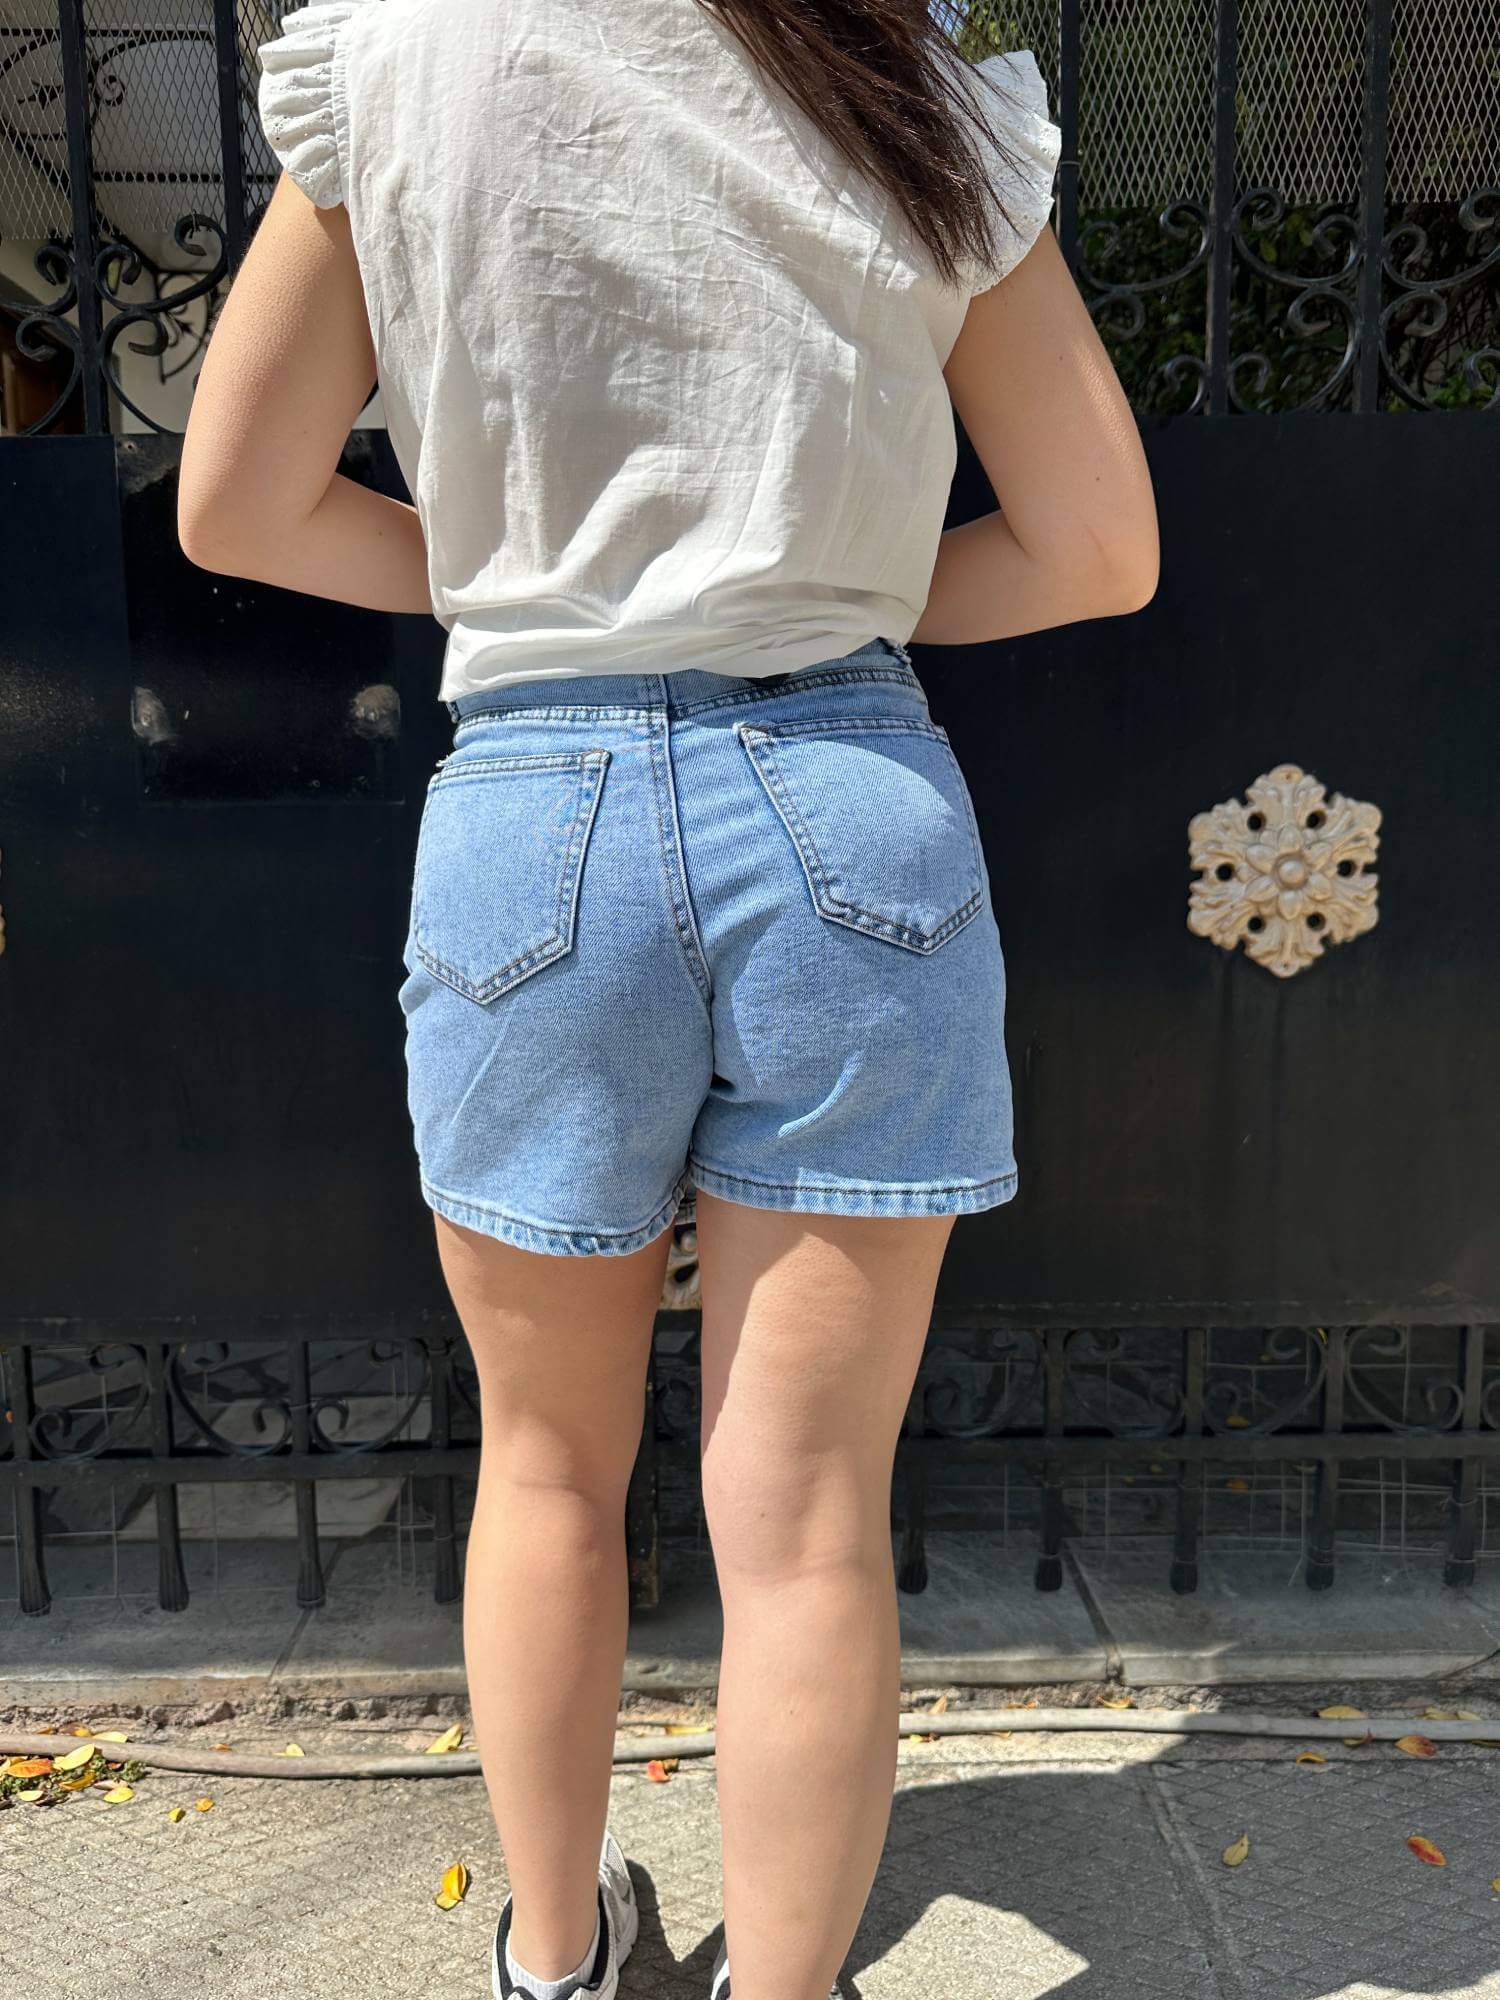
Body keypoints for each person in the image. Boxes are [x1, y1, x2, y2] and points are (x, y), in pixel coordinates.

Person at [178, 1, 1158, 1994]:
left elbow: (239, 505)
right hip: (846, 801)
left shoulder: (393, 50)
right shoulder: (910, 59)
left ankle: (553, 1966)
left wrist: (546, 583)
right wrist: (819, 582)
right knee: (807, 1516)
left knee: (545, 1465)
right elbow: (1097, 547)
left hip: (535, 807)